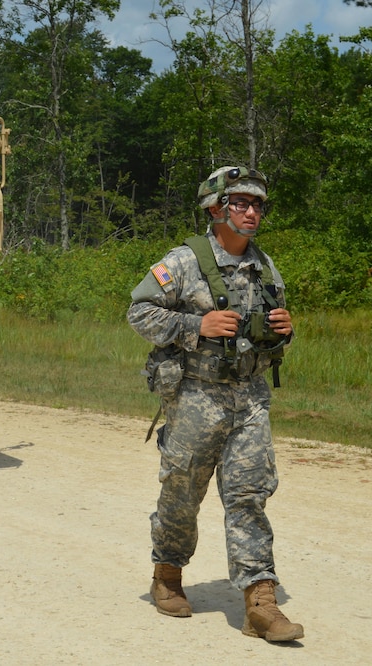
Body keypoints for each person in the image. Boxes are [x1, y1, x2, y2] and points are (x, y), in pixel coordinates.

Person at [127, 166, 304, 643]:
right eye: (241, 203)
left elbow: (268, 334)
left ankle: (260, 603)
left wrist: (283, 330)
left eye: (257, 205)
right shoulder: (182, 262)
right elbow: (139, 310)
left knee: (249, 497)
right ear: (215, 208)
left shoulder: (265, 267)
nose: (252, 212)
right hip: (194, 397)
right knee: (182, 493)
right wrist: (194, 327)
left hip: (249, 400)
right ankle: (167, 575)